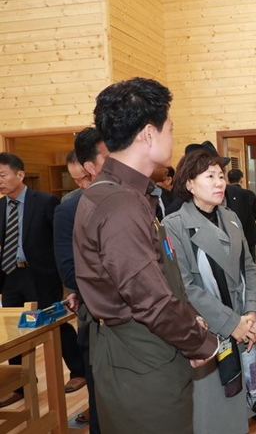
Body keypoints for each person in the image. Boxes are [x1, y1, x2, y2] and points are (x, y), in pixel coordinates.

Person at [72, 77, 218, 434]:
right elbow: (150, 301)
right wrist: (202, 342)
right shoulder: (120, 205)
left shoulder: (125, 194)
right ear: (149, 135)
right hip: (142, 360)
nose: (172, 137)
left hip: (145, 349)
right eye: (170, 128)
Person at [163, 150, 256, 434]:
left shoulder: (230, 217)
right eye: (210, 176)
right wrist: (233, 323)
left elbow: (249, 267)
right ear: (189, 184)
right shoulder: (175, 225)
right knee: (211, 412)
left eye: (221, 176)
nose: (219, 182)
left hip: (242, 323)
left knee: (238, 407)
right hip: (208, 329)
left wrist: (251, 311)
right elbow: (184, 287)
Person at [0, 152, 86, 408]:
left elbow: (59, 242)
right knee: (15, 329)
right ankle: (20, 387)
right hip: (11, 275)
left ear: (20, 175)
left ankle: (78, 371)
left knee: (55, 324)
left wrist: (63, 278)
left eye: (2, 175)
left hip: (42, 274)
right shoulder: (1, 206)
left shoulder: (45, 202)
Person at [53, 126, 109, 432]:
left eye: (88, 178)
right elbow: (67, 268)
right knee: (100, 396)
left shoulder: (130, 198)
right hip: (97, 317)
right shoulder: (69, 209)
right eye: (79, 180)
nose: (85, 185)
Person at [226, 168, 256, 263]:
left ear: (228, 180)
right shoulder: (249, 194)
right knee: (250, 262)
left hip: (231, 235)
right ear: (242, 179)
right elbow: (255, 214)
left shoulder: (224, 194)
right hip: (248, 234)